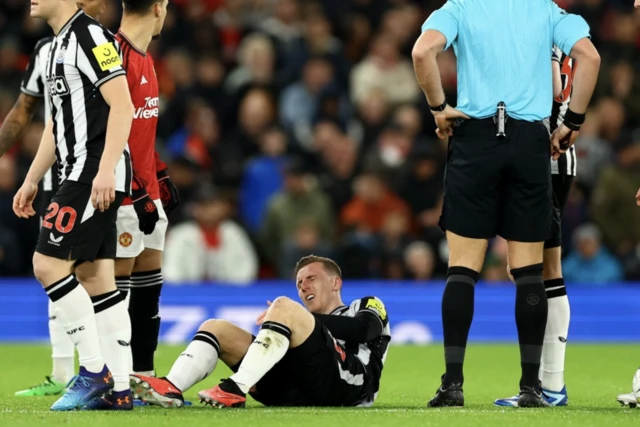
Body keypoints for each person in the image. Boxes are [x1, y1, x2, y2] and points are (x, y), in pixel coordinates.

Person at [412, 0, 599, 408]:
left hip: (475, 136)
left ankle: (453, 385)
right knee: (530, 271)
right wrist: (573, 122)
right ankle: (533, 388)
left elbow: (422, 51)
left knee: (462, 269)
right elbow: (589, 56)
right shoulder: (546, 11)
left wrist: (438, 107)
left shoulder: (460, 7)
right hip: (530, 141)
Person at [14, 0, 135, 411]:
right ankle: (119, 390)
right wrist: (31, 179)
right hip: (76, 172)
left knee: (47, 264)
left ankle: (94, 372)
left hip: (91, 173)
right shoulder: (56, 46)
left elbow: (123, 105)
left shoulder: (91, 36)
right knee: (97, 277)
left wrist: (104, 170)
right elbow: (55, 124)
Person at [129, 255, 391, 409]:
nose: (303, 287)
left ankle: (235, 387)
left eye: (311, 278)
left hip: (349, 386)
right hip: (297, 391)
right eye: (299, 283)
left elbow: (364, 329)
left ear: (336, 283)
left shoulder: (366, 304)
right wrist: (290, 320)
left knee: (284, 305)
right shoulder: (303, 324)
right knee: (215, 328)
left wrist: (293, 316)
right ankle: (171, 388)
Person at [494, 45, 577, 407]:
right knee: (539, 271)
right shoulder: (566, 31)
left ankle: (551, 385)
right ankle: (547, 383)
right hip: (551, 156)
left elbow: (554, 85)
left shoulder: (546, 34)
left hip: (543, 156)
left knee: (540, 270)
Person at [110, 0, 179, 388]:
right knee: (116, 291)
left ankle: (143, 376)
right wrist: (135, 189)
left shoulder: (146, 58)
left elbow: (138, 132)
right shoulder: (114, 56)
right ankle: (113, 378)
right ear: (157, 7)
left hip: (146, 194)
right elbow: (104, 132)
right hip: (123, 198)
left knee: (149, 287)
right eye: (166, 5)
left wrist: (158, 173)